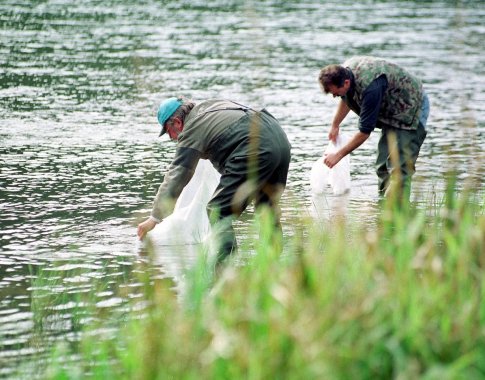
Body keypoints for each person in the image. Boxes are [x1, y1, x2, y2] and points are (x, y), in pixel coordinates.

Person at [137, 97, 292, 262]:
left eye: (169, 132)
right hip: (280, 140)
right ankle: (275, 265)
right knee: (266, 209)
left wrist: (154, 218)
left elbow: (177, 173)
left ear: (177, 122)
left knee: (217, 211)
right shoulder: (209, 107)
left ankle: (226, 271)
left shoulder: (192, 128)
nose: (173, 138)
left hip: (257, 149)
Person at [318, 56, 430, 198]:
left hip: (413, 108)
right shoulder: (344, 74)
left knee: (399, 169)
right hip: (392, 111)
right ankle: (384, 211)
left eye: (335, 93)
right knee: (382, 166)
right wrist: (335, 125)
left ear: (346, 82)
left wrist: (338, 155)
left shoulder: (371, 87)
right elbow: (346, 97)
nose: (334, 96)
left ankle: (399, 214)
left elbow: (364, 132)